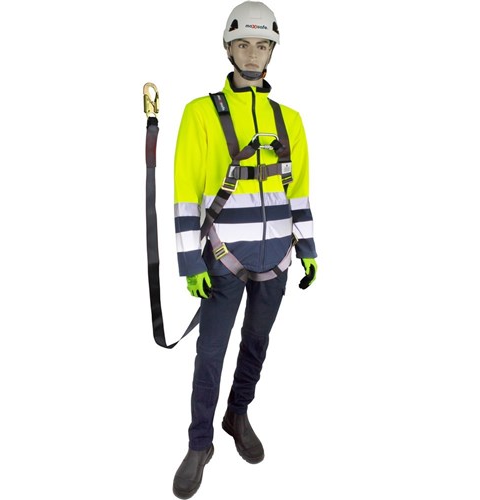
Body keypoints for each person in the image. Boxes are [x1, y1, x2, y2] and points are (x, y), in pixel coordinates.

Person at [172, 1, 317, 497]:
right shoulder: (200, 113)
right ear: (228, 48)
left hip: (277, 257)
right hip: (222, 257)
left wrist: (309, 246)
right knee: (210, 351)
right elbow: (186, 192)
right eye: (243, 45)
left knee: (257, 342)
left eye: (261, 45)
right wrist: (189, 261)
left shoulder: (289, 119)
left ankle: (238, 413)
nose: (252, 55)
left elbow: (299, 190)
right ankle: (199, 442)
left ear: (272, 51)